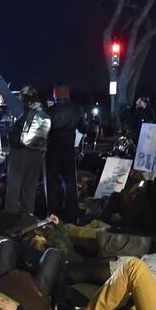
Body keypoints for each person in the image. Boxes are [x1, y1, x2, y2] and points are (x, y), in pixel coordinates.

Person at [5, 86, 50, 214]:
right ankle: (28, 217)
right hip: (37, 154)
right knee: (30, 189)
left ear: (23, 96)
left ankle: (11, 217)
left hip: (20, 152)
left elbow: (6, 93)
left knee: (14, 186)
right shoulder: (42, 110)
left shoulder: (20, 108)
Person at [45, 84, 86, 223]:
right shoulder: (77, 110)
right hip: (69, 149)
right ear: (68, 94)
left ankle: (54, 213)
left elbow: (45, 132)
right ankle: (72, 214)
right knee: (70, 182)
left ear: (55, 95)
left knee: (53, 182)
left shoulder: (50, 111)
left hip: (53, 149)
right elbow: (84, 128)